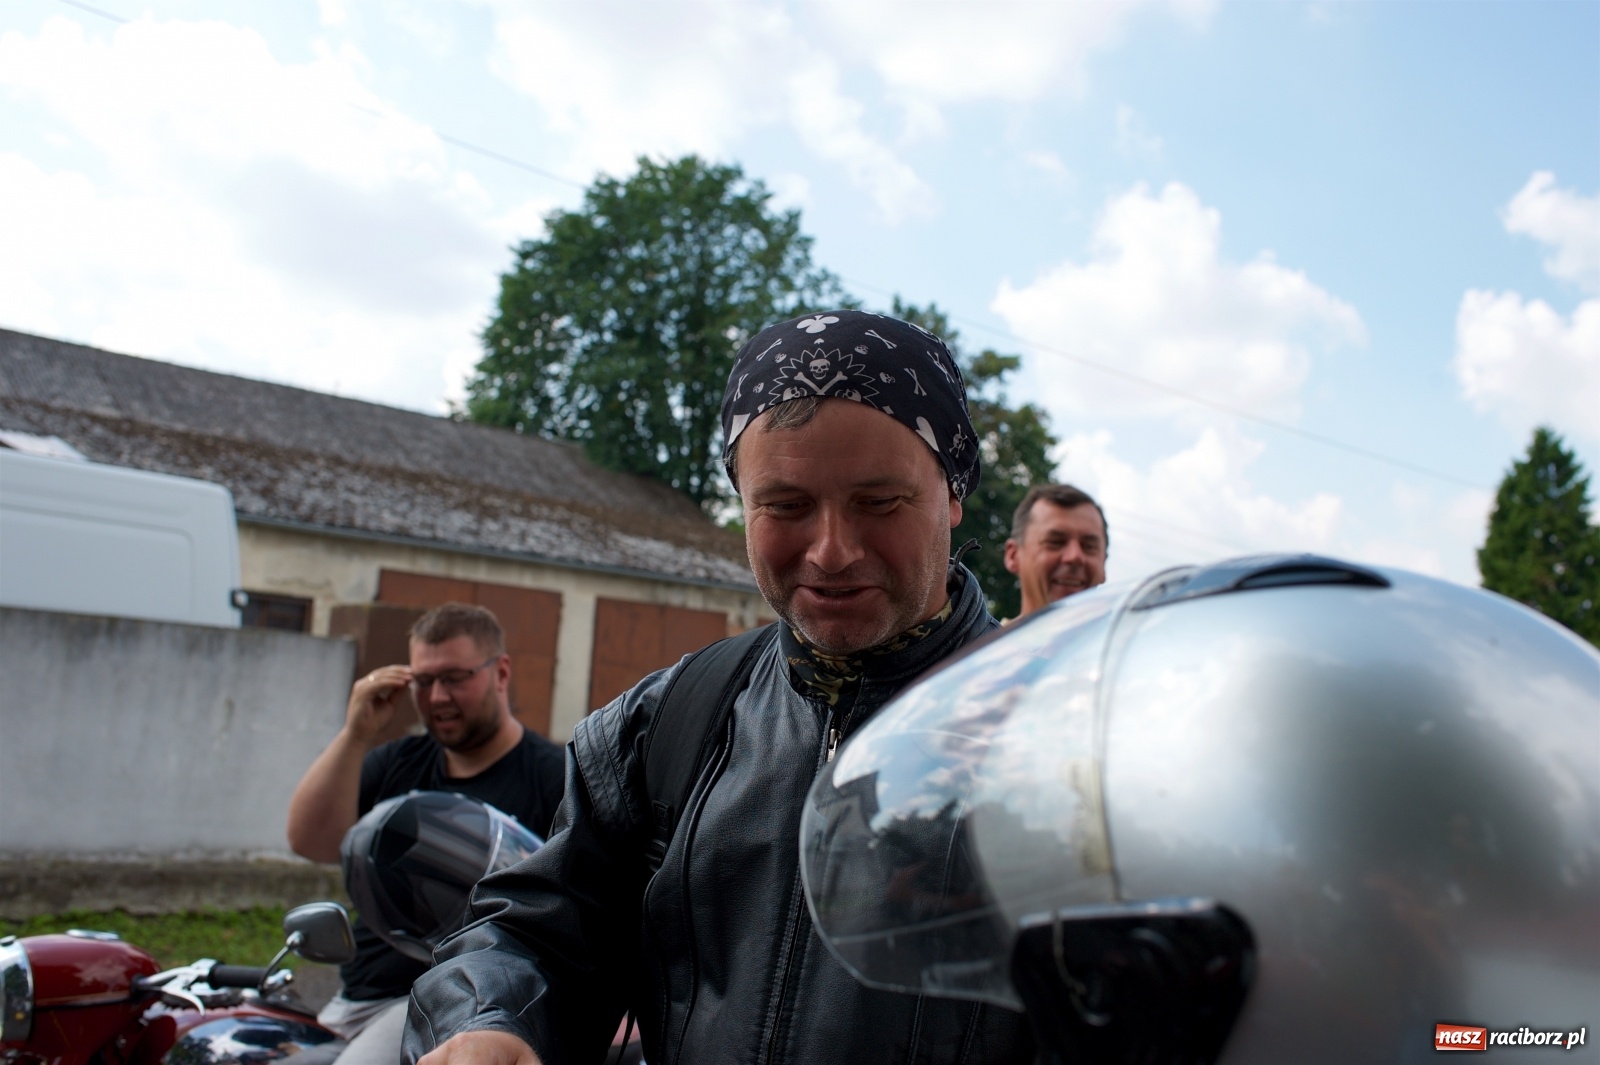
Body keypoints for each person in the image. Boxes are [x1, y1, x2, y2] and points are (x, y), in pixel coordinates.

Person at [404, 311, 1035, 1065]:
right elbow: (538, 929)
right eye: (786, 505)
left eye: (879, 501)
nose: (832, 551)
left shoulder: (1065, 744)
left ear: (954, 494)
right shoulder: (667, 723)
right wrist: (491, 1017)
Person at [287, 603, 566, 1065]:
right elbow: (312, 840)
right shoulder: (398, 761)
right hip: (354, 1000)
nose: (437, 697)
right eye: (423, 681)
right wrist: (356, 734)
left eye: (455, 678)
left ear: (500, 672)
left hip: (453, 1008)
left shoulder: (554, 779)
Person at [1002, 483, 1108, 617]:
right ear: (1013, 556)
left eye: (1089, 547)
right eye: (1055, 542)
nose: (1075, 556)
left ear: (1104, 563)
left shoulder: (1135, 637)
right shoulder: (980, 637)